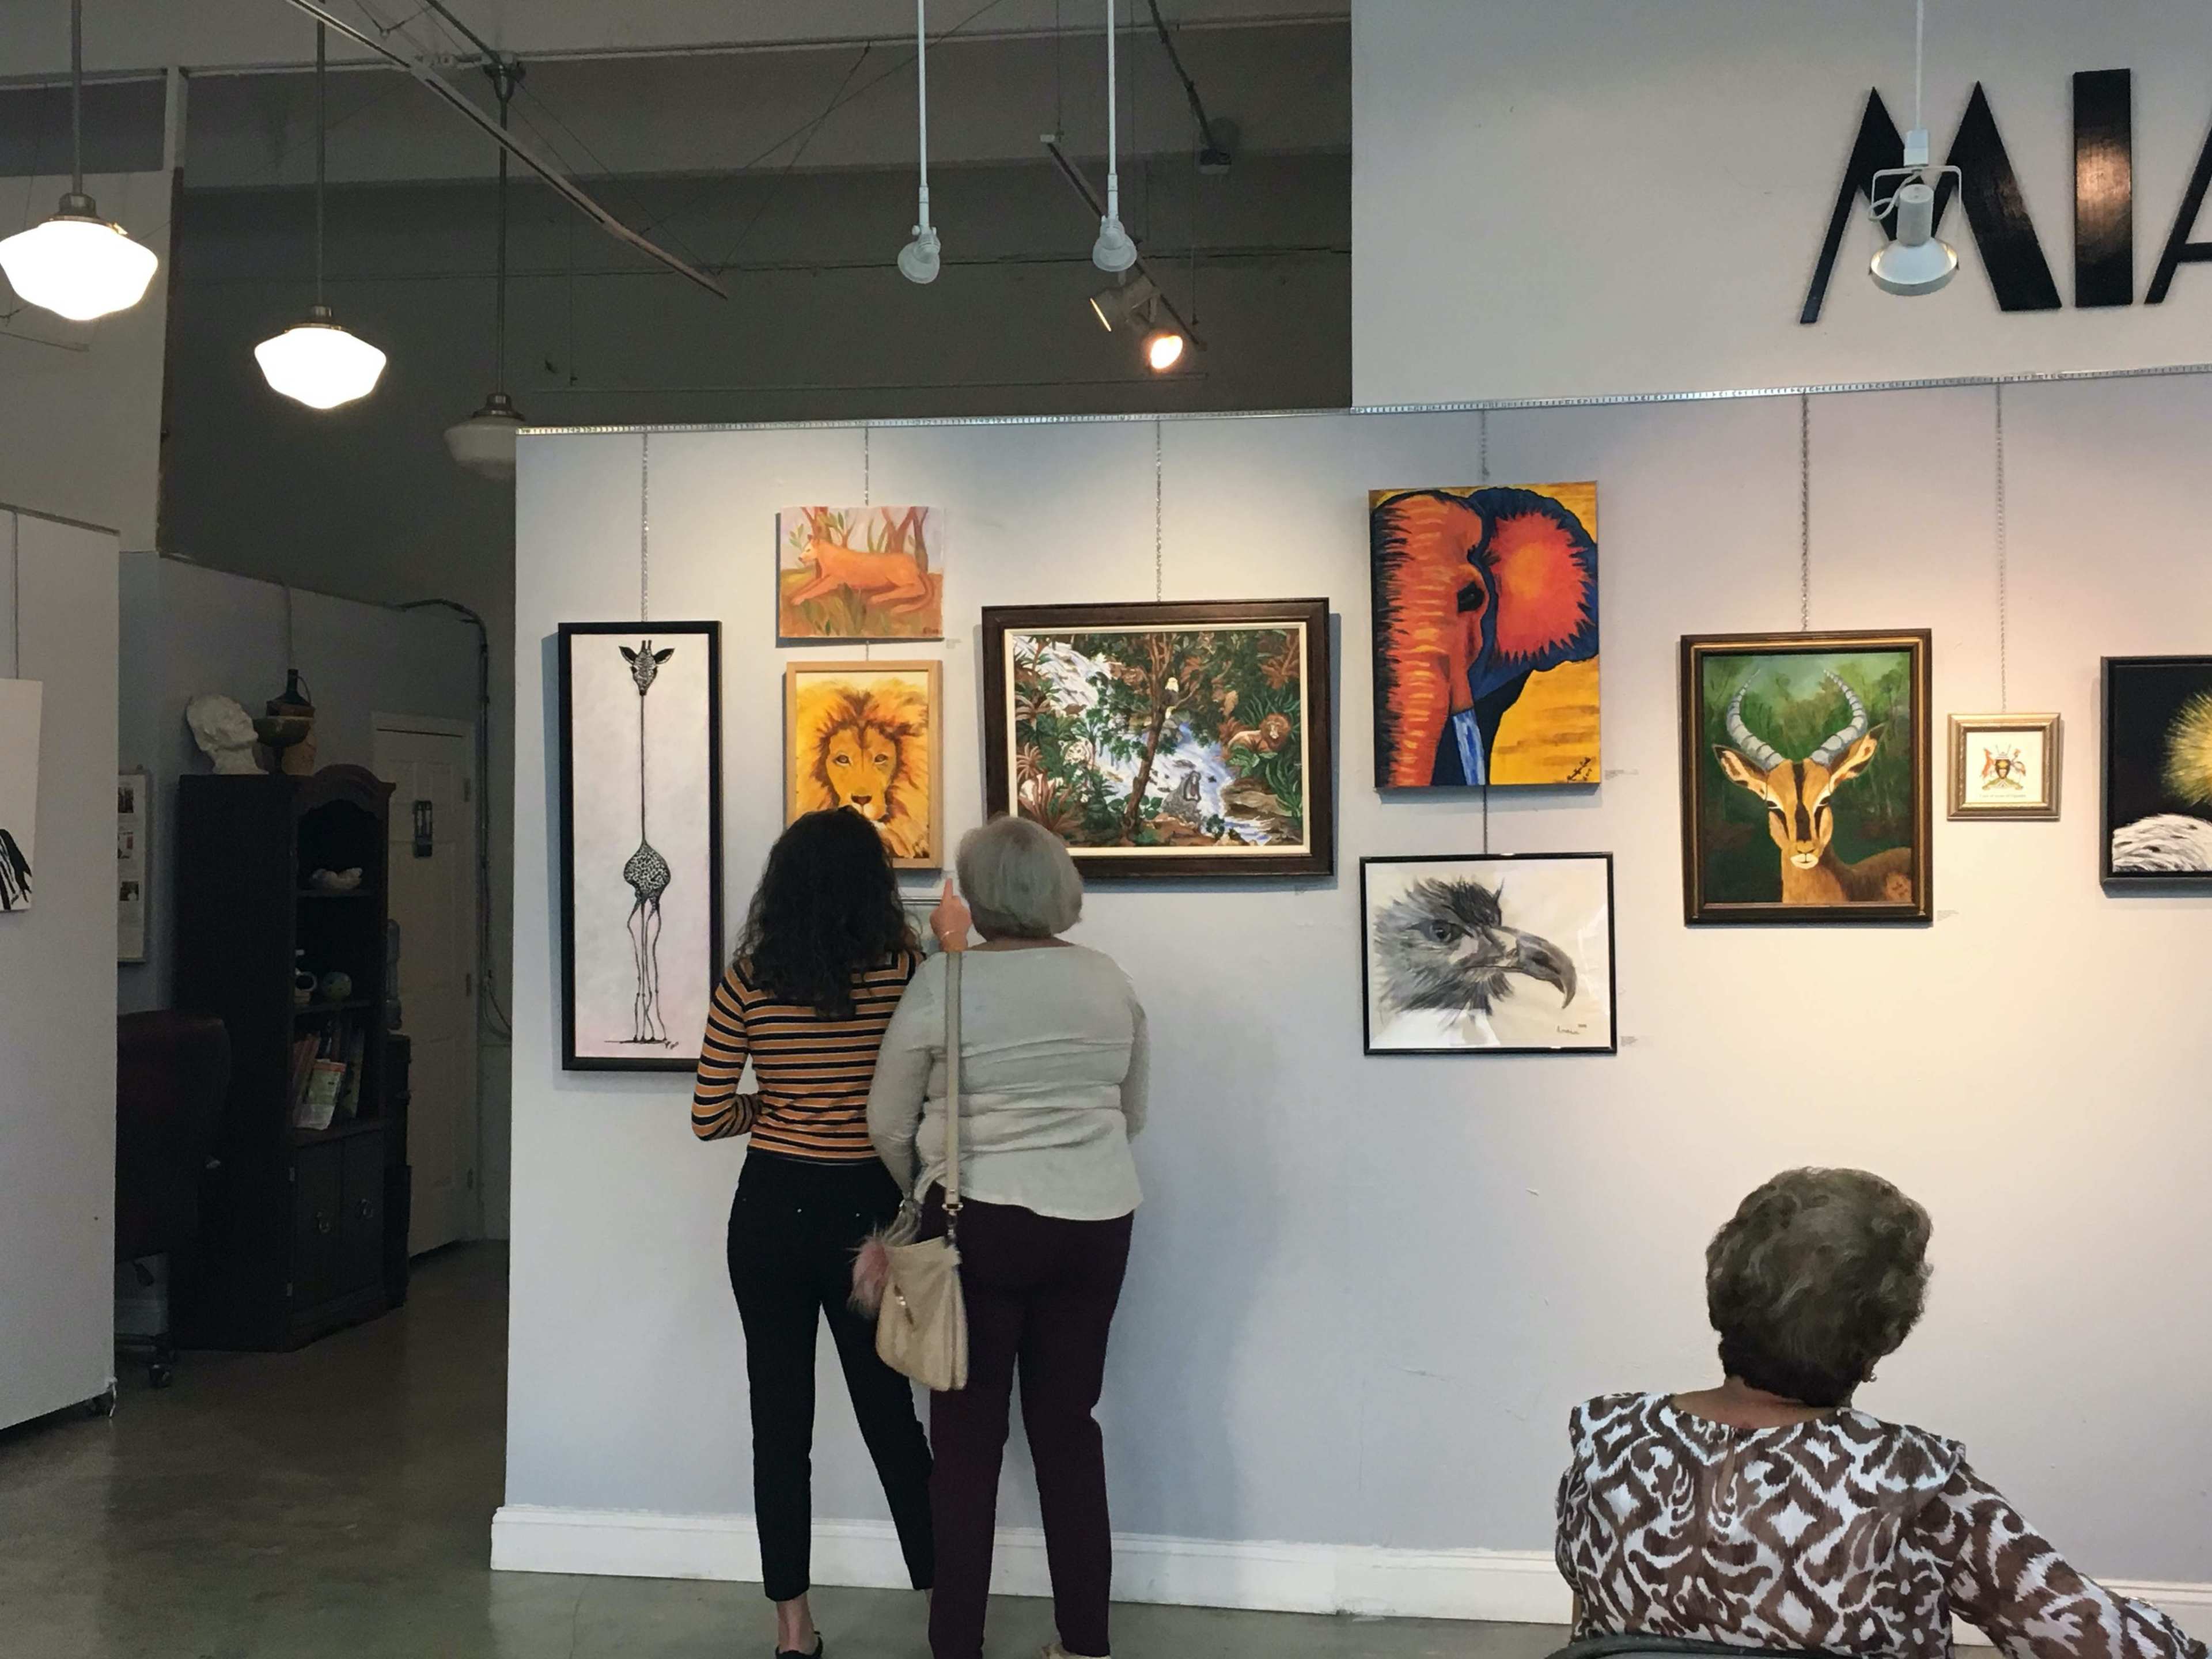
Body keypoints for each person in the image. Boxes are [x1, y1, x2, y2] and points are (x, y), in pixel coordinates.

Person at [1555, 1168, 2207, 1659]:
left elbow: (1597, 1631)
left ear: (1722, 1289)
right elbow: (2090, 1637)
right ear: (1886, 1332)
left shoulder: (1609, 1438)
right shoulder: (1912, 1480)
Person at [868, 817, 1149, 1659]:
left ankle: (957, 1645)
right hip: (1097, 1223)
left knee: (964, 1449)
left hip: (976, 1223)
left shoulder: (942, 984)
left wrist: (921, 1184)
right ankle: (1086, 1644)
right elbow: (1133, 1113)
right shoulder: (1109, 980)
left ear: (974, 894)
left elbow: (887, 1120)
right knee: (1070, 1434)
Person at [692, 809, 935, 1659]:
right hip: (865, 1213)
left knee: (779, 1424)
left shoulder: (750, 975)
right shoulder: (905, 969)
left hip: (768, 1210)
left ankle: (794, 1632)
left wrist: (778, 1108)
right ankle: (948, 1602)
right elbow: (931, 1088)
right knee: (890, 1417)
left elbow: (708, 1114)